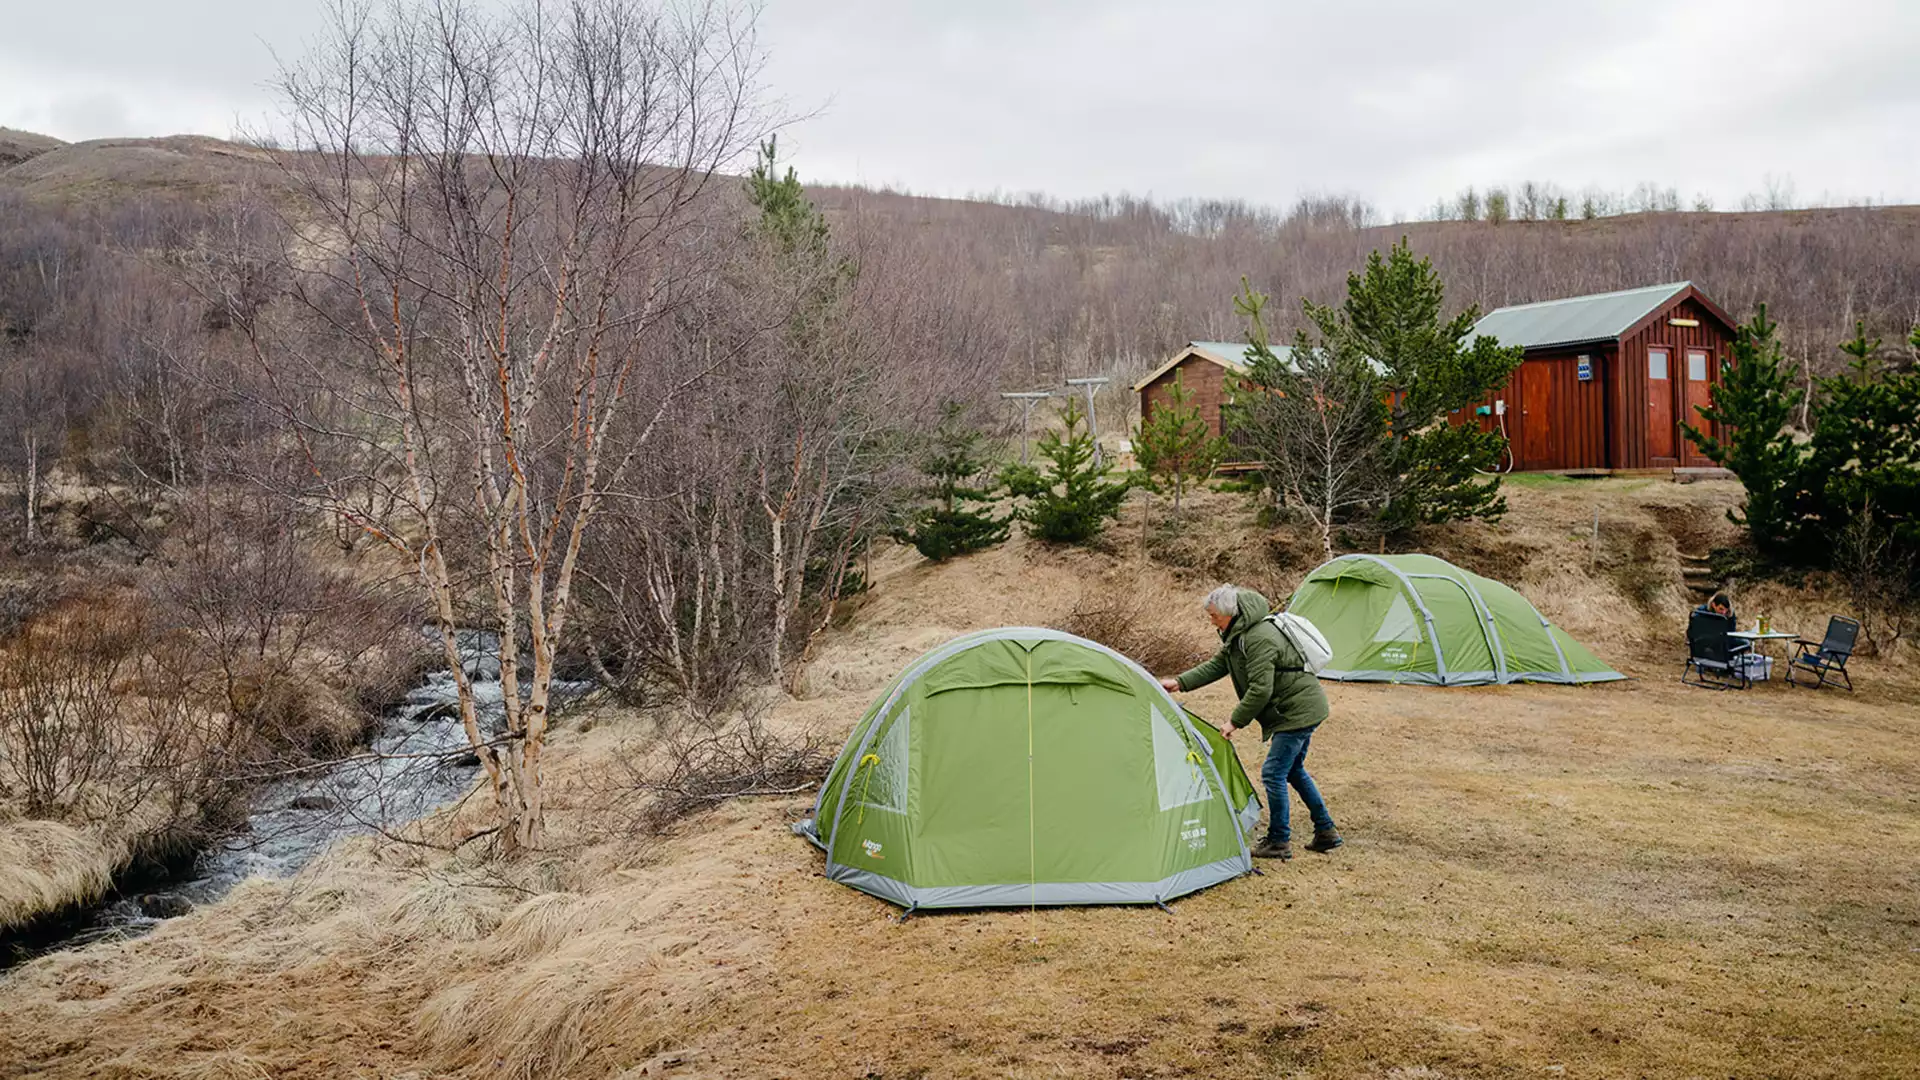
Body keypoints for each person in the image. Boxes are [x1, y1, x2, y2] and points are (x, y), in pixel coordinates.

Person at [1158, 584, 1341, 861]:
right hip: (1299, 708)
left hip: (1296, 711)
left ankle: (1279, 840)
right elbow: (1218, 665)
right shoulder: (1238, 635)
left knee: (1273, 773)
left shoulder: (1258, 637)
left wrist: (1234, 722)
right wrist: (1179, 683)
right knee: (1292, 771)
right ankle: (1326, 831)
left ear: (1230, 614)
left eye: (1213, 615)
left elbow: (1260, 689)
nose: (1210, 620)